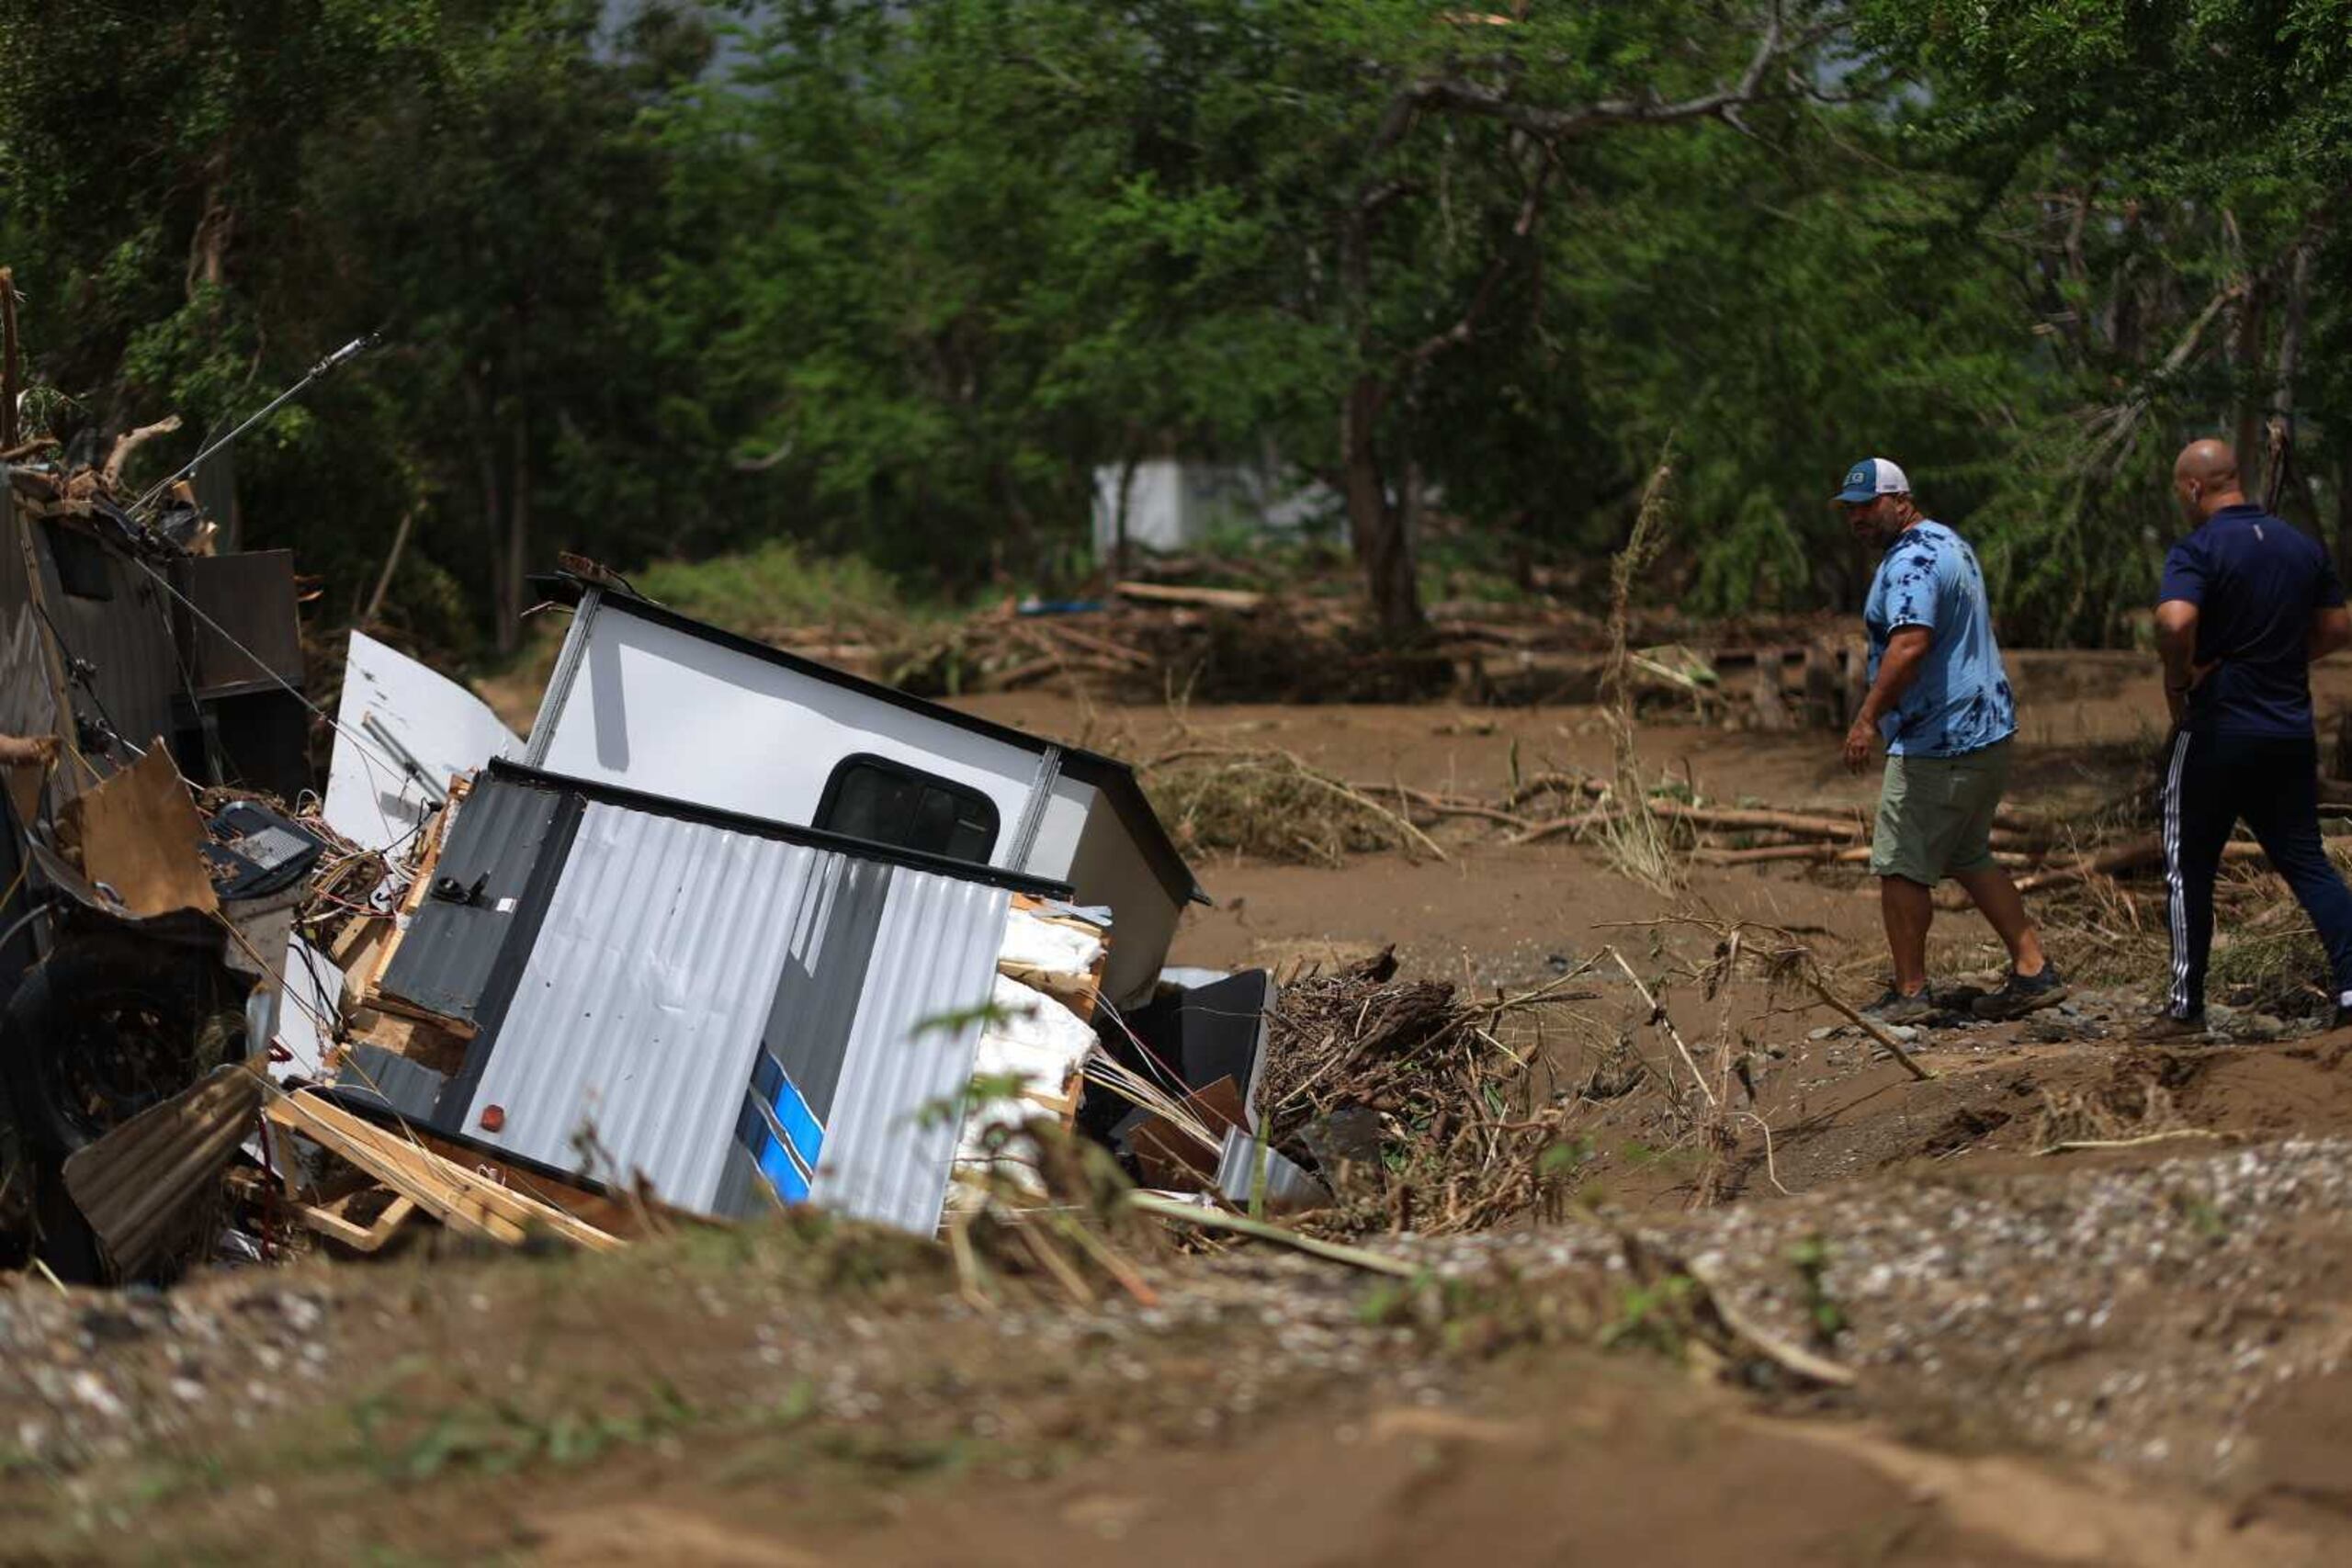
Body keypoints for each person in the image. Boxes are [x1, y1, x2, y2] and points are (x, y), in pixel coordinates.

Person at [1834, 457, 2064, 1023]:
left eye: (1869, 505)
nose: (1859, 518)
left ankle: (1910, 993)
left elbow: (1910, 646)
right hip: (1986, 733)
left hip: (1941, 740)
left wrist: (1866, 719)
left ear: (1901, 500)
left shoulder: (1911, 562)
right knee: (1968, 854)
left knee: (1900, 864)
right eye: (1851, 509)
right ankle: (2034, 971)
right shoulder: (1947, 543)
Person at [2146, 439, 2352, 1041]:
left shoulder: (2199, 548)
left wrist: (2181, 675)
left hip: (2217, 728)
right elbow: (2338, 626)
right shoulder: (2299, 544)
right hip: (2289, 728)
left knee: (2190, 867)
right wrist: (2283, 656)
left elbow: (2174, 621)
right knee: (2308, 861)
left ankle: (2186, 1008)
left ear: (2193, 488)